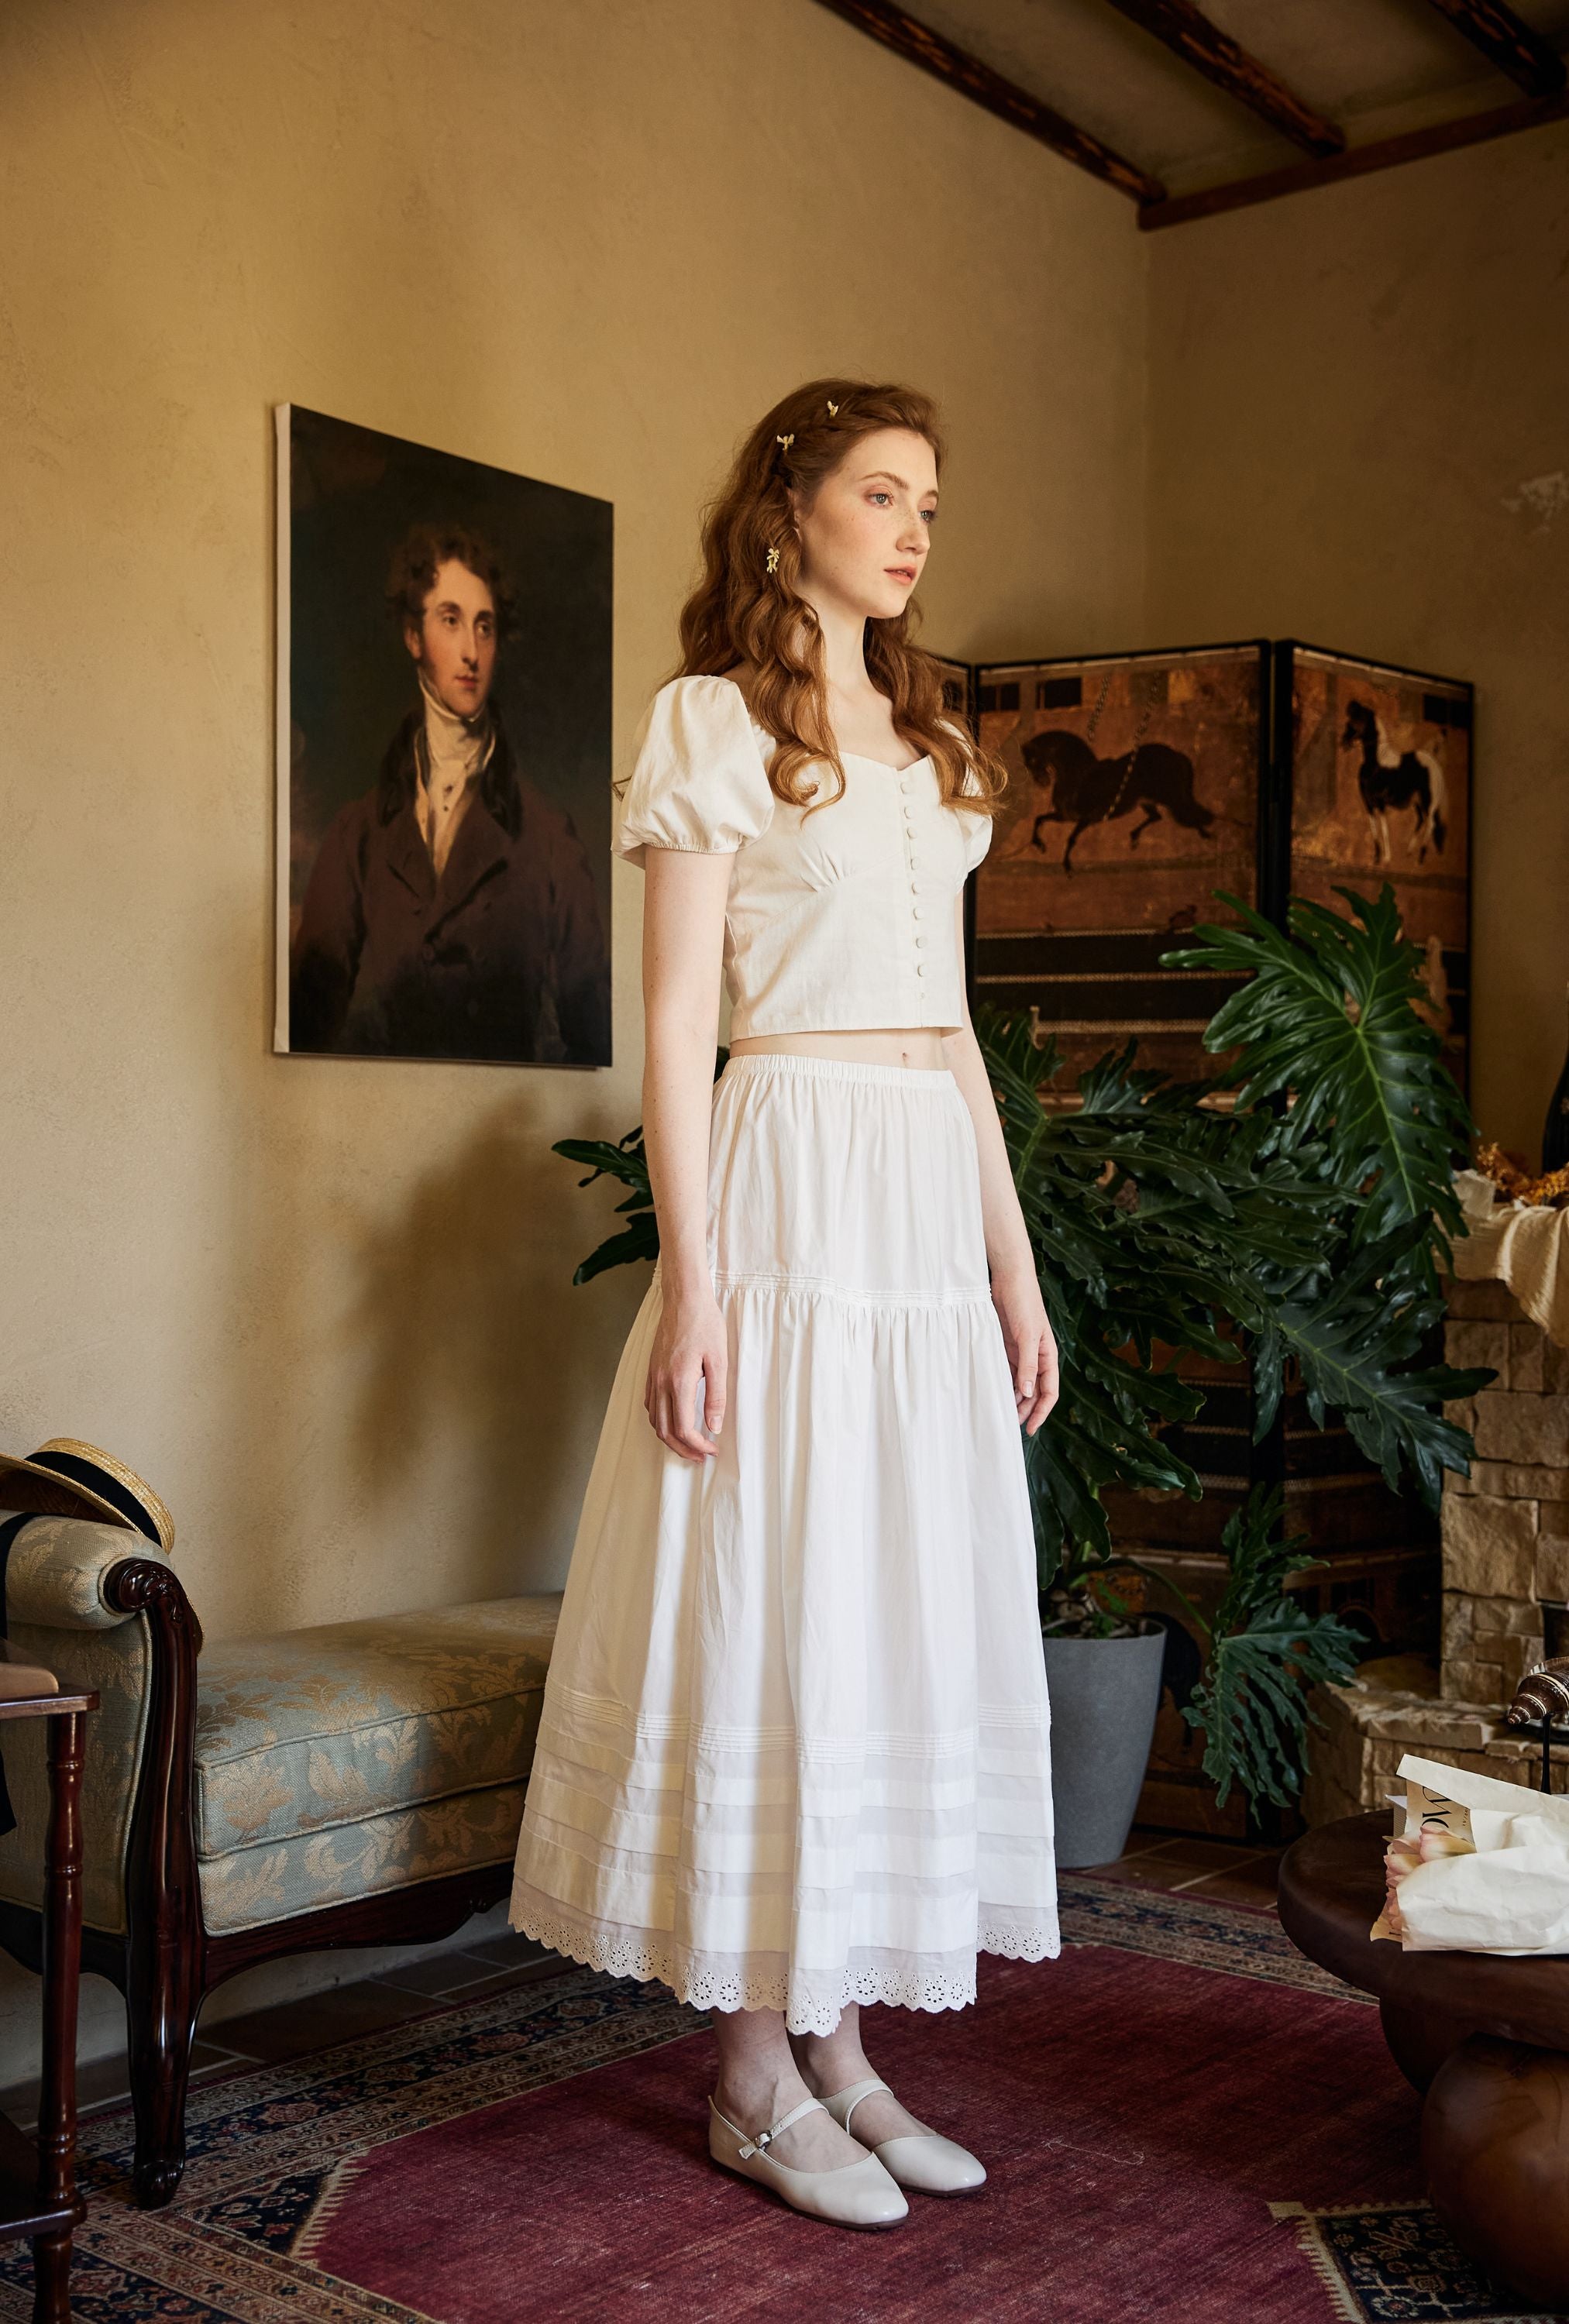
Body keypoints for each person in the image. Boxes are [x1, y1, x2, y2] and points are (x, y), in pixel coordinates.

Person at [509, 380, 1060, 2229]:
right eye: (882, 493)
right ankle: (748, 2071)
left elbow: (955, 1028)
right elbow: (675, 1026)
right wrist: (696, 1279)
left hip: (917, 1191)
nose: (914, 528)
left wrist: (1012, 1258)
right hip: (792, 1182)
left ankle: (837, 2041)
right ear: (788, 512)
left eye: (929, 500)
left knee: (887, 1608)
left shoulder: (931, 746)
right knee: (788, 1604)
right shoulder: (708, 723)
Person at [290, 522, 611, 1064]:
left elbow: (591, 1031)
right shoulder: (359, 831)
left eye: (484, 627)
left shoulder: (549, 835)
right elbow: (306, 1023)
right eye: (450, 621)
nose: (471, 651)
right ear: (414, 637)